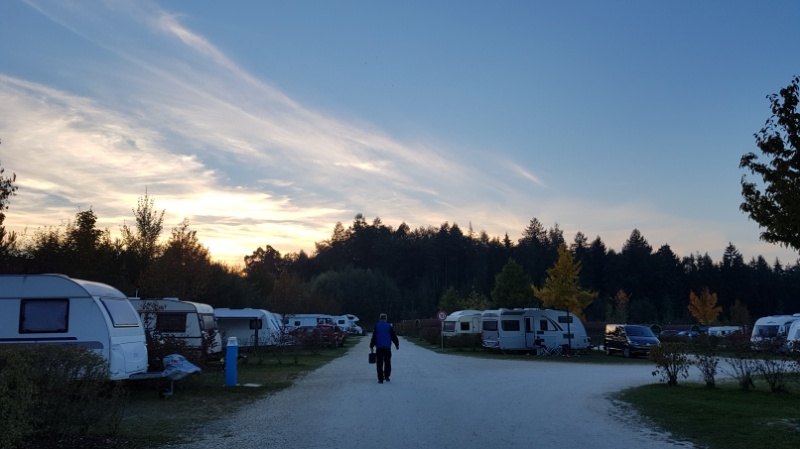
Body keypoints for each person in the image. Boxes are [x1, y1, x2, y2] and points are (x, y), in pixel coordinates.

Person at [370, 313, 399, 383]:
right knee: (387, 362)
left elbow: (374, 337)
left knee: (379, 363)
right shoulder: (389, 326)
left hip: (379, 348)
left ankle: (380, 379)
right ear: (386, 318)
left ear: (380, 318)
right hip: (387, 348)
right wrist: (396, 344)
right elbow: (393, 336)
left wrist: (371, 345)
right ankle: (387, 376)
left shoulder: (376, 326)